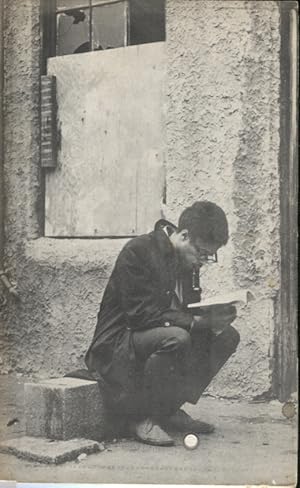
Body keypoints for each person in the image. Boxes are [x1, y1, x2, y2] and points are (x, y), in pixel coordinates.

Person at [85, 201, 240, 446]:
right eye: (201, 253)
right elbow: (140, 316)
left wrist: (214, 316)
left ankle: (168, 410)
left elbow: (185, 313)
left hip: (157, 336)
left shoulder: (188, 263)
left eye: (210, 256)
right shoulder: (139, 251)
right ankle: (141, 418)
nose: (203, 261)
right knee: (177, 337)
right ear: (184, 235)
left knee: (227, 336)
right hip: (117, 344)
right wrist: (199, 322)